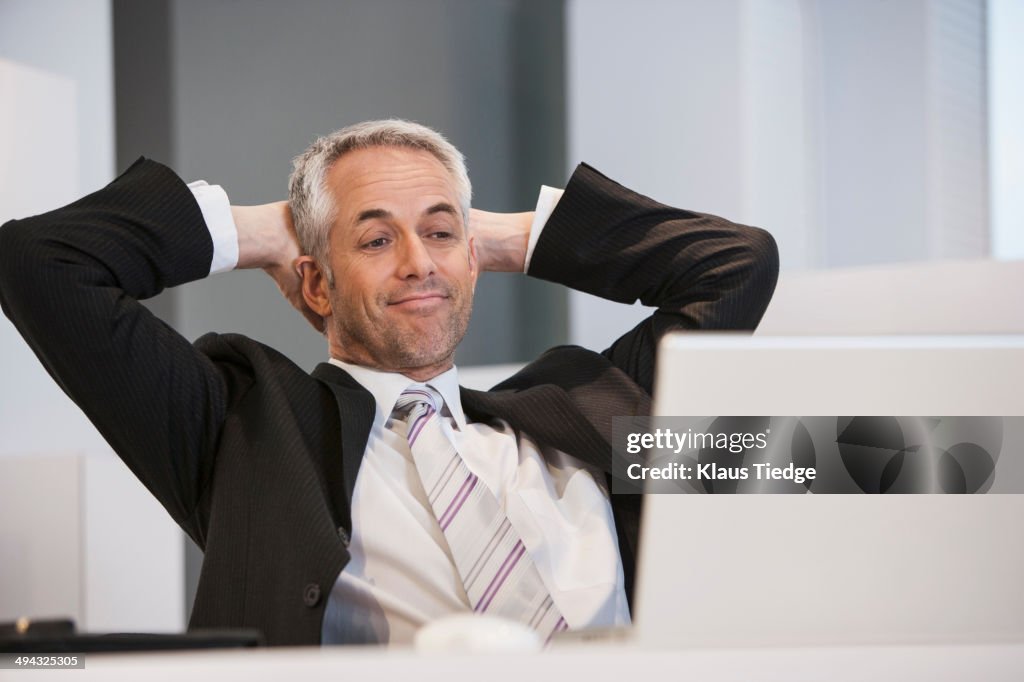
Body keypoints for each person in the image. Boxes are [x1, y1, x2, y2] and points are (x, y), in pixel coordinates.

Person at [0, 119, 778, 646]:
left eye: (440, 233)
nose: (417, 261)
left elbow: (736, 264)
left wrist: (492, 238)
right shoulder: (242, 429)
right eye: (376, 239)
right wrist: (264, 232)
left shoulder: (588, 410)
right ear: (314, 286)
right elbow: (41, 263)